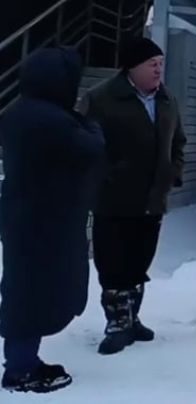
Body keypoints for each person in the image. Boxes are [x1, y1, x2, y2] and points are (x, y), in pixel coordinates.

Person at [0, 48, 105, 393]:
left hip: (30, 218)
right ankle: (20, 370)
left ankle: (23, 361)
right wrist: (91, 124)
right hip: (43, 223)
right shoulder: (49, 119)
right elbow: (90, 148)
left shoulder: (23, 111)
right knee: (32, 295)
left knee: (26, 291)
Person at [76, 37, 186, 355]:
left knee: (139, 262)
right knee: (112, 263)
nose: (158, 70)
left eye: (161, 64)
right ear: (132, 67)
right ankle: (116, 323)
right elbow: (84, 144)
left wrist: (173, 173)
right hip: (114, 199)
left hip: (152, 200)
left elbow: (179, 141)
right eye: (152, 64)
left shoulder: (167, 100)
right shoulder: (101, 99)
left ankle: (132, 317)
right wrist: (108, 174)